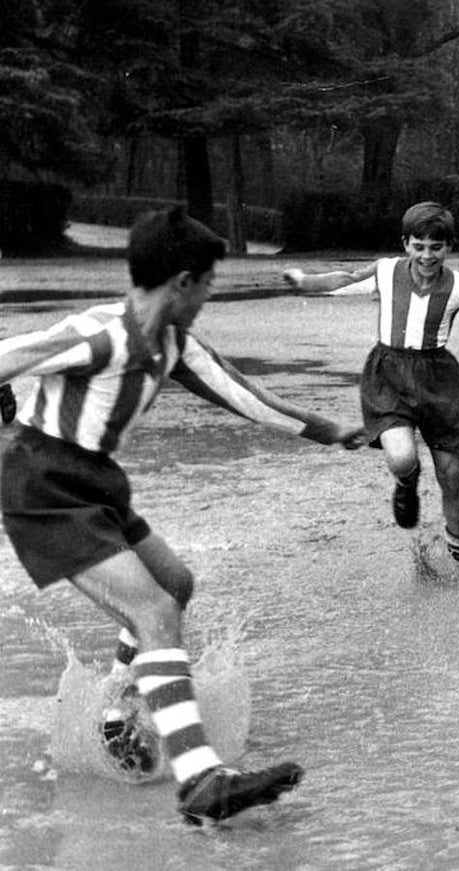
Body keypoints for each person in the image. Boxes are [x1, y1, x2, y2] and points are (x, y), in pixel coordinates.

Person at [0, 207, 364, 825]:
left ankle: (117, 712)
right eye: (211, 279)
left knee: (175, 583)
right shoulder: (102, 334)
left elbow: (242, 396)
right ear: (183, 283)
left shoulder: (175, 345)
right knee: (154, 610)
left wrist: (331, 430)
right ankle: (202, 781)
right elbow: (12, 354)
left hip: (95, 484)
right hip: (42, 484)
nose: (213, 291)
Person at [283, 202, 459, 567]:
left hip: (438, 381)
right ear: (406, 244)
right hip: (387, 375)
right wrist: (304, 281)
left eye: (436, 247)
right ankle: (407, 483)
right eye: (418, 246)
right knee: (402, 457)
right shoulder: (387, 272)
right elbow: (344, 280)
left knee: (450, 471)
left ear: (448, 247)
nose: (427, 255)